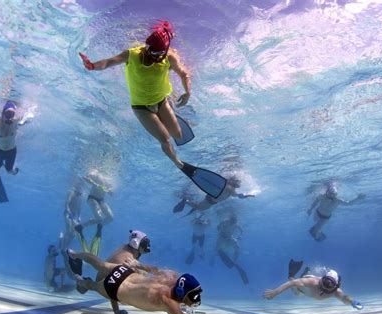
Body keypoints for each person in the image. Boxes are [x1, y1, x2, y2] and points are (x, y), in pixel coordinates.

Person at [78, 21, 226, 198]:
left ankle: (170, 105)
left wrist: (188, 92)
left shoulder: (169, 57)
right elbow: (110, 61)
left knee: (178, 135)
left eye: (159, 53)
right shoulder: (132, 55)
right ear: (147, 46)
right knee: (165, 139)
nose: (155, 55)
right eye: (152, 51)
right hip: (142, 107)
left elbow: (184, 74)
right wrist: (93, 65)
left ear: (165, 50)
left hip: (161, 101)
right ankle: (179, 164)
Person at [65, 249, 249, 314]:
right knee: (91, 286)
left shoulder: (171, 277)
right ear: (180, 291)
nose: (196, 299)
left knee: (100, 264)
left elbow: (155, 270)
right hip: (115, 288)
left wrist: (139, 265)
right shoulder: (166, 299)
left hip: (126, 273)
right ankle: (81, 280)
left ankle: (75, 255)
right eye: (193, 296)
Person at [94, 230, 153, 314]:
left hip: (102, 278)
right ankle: (84, 283)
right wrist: (116, 311)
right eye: (145, 244)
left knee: (142, 274)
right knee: (141, 279)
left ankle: (84, 283)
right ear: (136, 244)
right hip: (104, 285)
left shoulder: (127, 248)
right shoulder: (126, 260)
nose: (147, 246)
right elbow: (112, 284)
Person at [263, 259, 364, 310]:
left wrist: (353, 302)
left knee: (298, 293)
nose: (325, 286)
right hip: (306, 283)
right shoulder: (314, 283)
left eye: (330, 284)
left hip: (307, 288)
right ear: (322, 279)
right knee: (295, 289)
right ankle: (298, 274)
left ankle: (305, 273)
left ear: (336, 285)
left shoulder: (335, 292)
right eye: (325, 282)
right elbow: (291, 283)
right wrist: (274, 292)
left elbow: (345, 298)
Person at [74, 169, 114, 257]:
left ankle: (100, 225)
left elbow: (111, 190)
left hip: (101, 200)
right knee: (99, 218)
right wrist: (95, 184)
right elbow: (85, 177)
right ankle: (80, 227)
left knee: (110, 217)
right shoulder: (95, 172)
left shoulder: (109, 177)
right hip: (92, 198)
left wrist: (110, 191)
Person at [173, 176, 255, 214]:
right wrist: (246, 196)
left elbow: (236, 195)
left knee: (199, 206)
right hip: (210, 201)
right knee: (200, 208)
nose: (239, 183)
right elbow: (238, 195)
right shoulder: (230, 188)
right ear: (234, 182)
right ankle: (186, 201)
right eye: (238, 182)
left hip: (210, 199)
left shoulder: (228, 187)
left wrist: (244, 196)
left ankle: (187, 201)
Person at [213, 214, 249, 284]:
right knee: (217, 248)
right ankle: (217, 253)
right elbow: (217, 227)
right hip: (222, 236)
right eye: (232, 220)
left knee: (237, 248)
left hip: (230, 237)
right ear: (230, 219)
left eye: (235, 221)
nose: (233, 222)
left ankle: (234, 261)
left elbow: (242, 231)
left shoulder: (236, 224)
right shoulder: (225, 221)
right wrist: (220, 227)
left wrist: (239, 236)